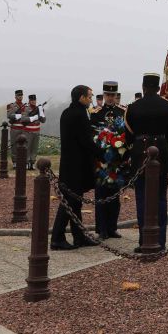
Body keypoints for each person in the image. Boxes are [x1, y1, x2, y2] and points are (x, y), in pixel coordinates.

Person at [126, 73, 168, 250]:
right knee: (161, 198)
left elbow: (129, 135)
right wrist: (160, 143)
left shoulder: (133, 108)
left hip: (140, 150)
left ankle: (144, 239)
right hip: (161, 150)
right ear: (158, 88)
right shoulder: (167, 106)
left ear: (143, 87)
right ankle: (160, 240)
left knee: (141, 198)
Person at [51, 84, 99, 251]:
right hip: (76, 166)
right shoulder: (78, 114)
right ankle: (57, 237)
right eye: (89, 96)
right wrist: (101, 153)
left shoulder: (68, 112)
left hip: (70, 164)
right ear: (81, 97)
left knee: (75, 202)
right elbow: (86, 140)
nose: (91, 99)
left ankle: (79, 236)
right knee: (69, 202)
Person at [92, 82, 131, 239]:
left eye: (112, 95)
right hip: (101, 161)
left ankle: (112, 227)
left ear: (116, 96)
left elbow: (127, 133)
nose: (109, 98)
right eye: (107, 95)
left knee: (115, 195)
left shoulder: (122, 111)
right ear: (104, 95)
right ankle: (101, 229)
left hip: (117, 161)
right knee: (101, 195)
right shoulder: (96, 112)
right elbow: (93, 134)